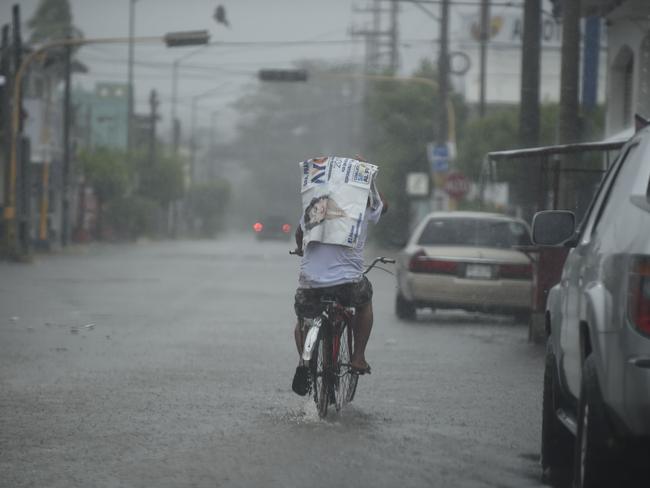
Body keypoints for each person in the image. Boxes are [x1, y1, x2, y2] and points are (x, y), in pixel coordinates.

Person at [291, 171, 388, 396]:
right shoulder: (361, 205)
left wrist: (301, 249)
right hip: (348, 284)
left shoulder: (315, 206)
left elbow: (299, 234)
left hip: (311, 284)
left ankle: (305, 361)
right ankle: (358, 357)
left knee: (304, 320)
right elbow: (384, 207)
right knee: (364, 302)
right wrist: (370, 180)